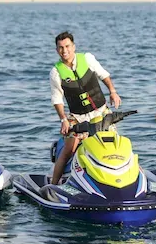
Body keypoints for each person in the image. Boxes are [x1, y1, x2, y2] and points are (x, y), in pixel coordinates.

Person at [50, 31, 122, 185]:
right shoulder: (56, 72)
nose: (65, 51)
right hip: (78, 117)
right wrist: (63, 119)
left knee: (117, 143)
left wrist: (113, 92)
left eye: (67, 46)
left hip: (101, 112)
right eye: (61, 48)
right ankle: (53, 185)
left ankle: (135, 176)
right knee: (68, 150)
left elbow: (104, 75)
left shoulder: (87, 58)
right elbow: (57, 99)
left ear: (74, 46)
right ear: (57, 50)